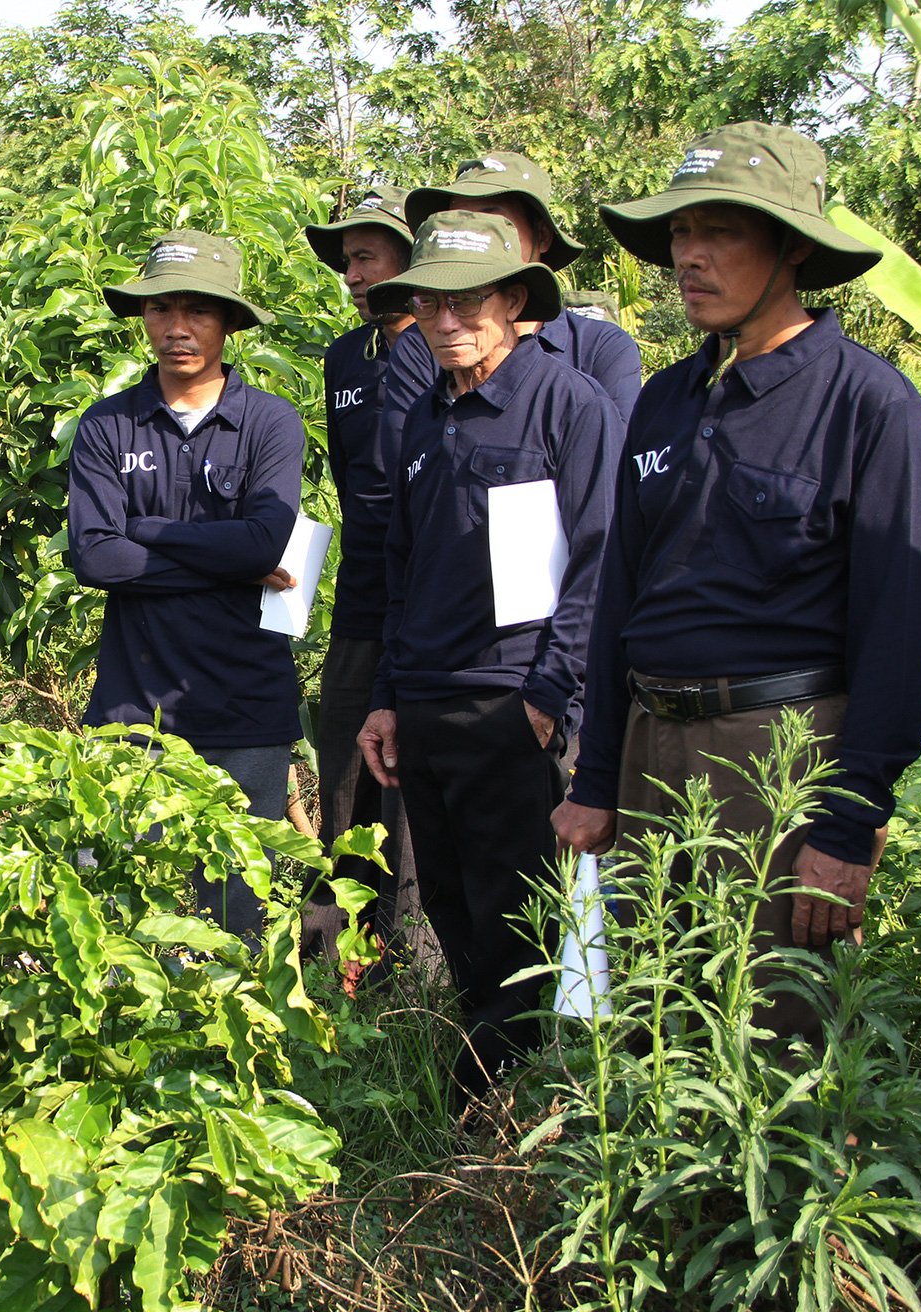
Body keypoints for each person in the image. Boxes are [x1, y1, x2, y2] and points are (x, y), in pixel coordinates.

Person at [552, 123, 921, 1039]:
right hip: (654, 747)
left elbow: (897, 633)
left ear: (793, 247)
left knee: (769, 1035)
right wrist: (598, 772)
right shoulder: (664, 399)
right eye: (681, 233)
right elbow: (622, 598)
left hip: (777, 755)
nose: (689, 255)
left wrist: (847, 828)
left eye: (719, 230)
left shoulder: (868, 405)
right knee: (653, 1022)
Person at [356, 212, 623, 1104]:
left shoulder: (567, 404)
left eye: (469, 298)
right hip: (427, 703)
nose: (447, 318)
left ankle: (530, 1103)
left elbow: (598, 563)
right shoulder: (423, 416)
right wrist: (387, 695)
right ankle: (485, 1101)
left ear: (514, 300)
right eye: (431, 300)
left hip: (514, 704)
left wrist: (550, 695)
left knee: (524, 918)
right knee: (452, 907)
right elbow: (402, 566)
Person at [67, 229, 305, 941]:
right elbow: (95, 560)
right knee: (120, 913)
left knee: (236, 916)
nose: (177, 328)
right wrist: (226, 559)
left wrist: (141, 529)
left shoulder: (269, 423)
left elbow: (266, 541)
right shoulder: (107, 425)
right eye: (161, 309)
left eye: (197, 311)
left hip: (246, 705)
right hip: (131, 710)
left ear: (228, 322)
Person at [301, 188, 419, 972]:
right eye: (347, 260)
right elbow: (351, 480)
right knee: (344, 762)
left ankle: (414, 958)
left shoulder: (436, 353)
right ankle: (334, 950)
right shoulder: (345, 359)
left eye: (367, 255)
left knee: (412, 779)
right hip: (362, 598)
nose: (353, 272)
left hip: (430, 597)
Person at [395, 151, 644, 423]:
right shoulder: (422, 342)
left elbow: (610, 456)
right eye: (460, 220)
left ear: (543, 236)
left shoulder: (599, 347)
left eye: (494, 221)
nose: (476, 232)